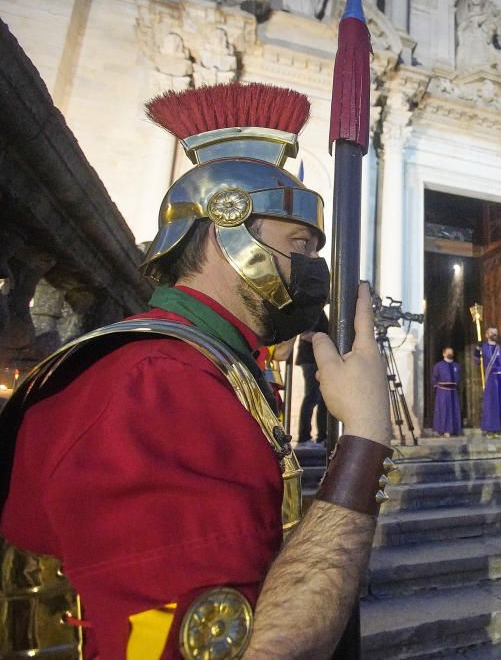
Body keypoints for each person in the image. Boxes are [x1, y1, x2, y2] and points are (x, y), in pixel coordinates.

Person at [0, 82, 393, 657]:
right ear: (224, 228)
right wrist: (364, 435)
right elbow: (255, 648)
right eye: (301, 244)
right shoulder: (158, 384)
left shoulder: (209, 365)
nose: (314, 269)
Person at [296, 312, 330, 446]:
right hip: (310, 360)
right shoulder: (311, 313)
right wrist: (326, 338)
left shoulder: (319, 313)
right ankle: (304, 437)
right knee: (312, 397)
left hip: (318, 360)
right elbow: (305, 335)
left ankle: (322, 436)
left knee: (322, 399)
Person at [431, 346, 463, 437]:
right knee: (444, 410)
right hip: (443, 392)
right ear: (444, 354)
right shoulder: (438, 365)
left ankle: (455, 429)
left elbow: (459, 377)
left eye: (451, 352)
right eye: (448, 352)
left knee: (454, 410)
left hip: (453, 391)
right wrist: (437, 385)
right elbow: (434, 378)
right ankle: (444, 430)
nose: (450, 353)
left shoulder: (457, 365)